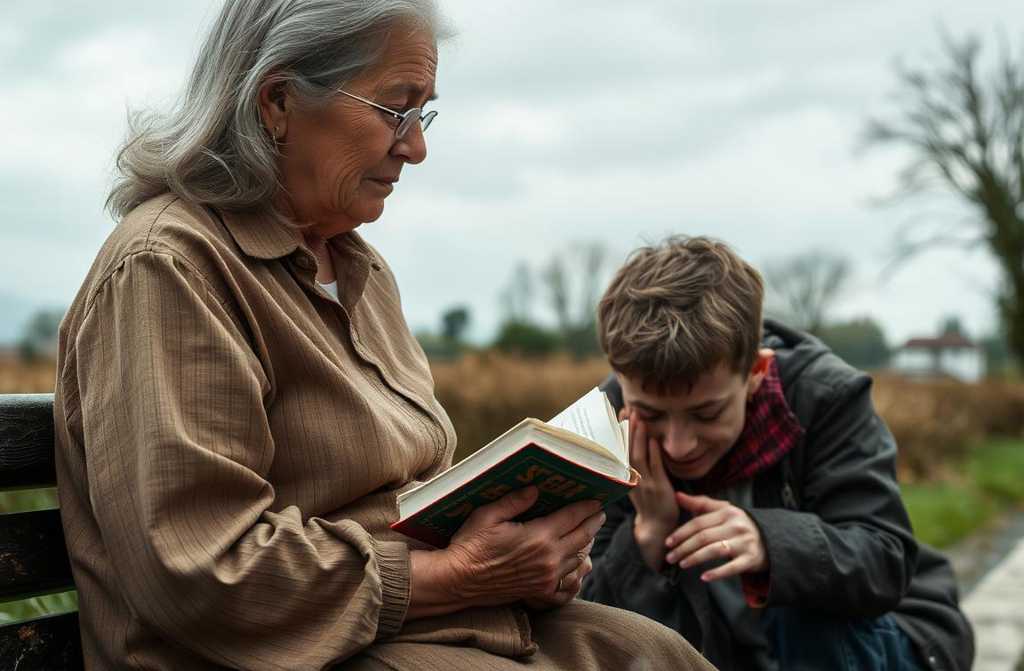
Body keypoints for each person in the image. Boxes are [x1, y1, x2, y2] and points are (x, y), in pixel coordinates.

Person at [51, 2, 716, 670]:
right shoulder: (169, 267)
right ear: (278, 102)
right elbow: (197, 566)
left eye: (423, 113)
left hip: (416, 631)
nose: (417, 147)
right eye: (395, 110)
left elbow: (416, 500)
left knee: (661, 654)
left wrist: (534, 554)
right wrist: (455, 575)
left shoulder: (359, 268)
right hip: (261, 655)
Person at [580, 236, 974, 671]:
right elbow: (598, 626)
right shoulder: (609, 422)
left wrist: (771, 543)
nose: (678, 445)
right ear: (622, 378)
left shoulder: (824, 396)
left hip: (886, 637)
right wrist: (648, 535)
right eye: (652, 414)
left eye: (706, 413)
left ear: (756, 372)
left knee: (808, 612)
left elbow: (885, 560)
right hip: (733, 654)